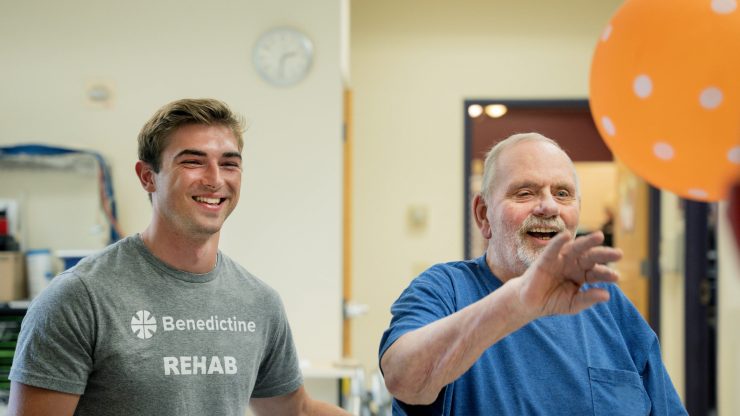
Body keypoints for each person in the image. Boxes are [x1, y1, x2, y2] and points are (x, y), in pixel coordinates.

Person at [8, 98, 351, 416]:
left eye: (229, 164)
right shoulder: (79, 298)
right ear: (147, 177)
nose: (215, 179)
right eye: (193, 162)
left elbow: (296, 410)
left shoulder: (259, 303)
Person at [379, 133, 686, 415]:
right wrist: (516, 303)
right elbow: (402, 379)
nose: (549, 207)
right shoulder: (445, 289)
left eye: (563, 193)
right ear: (484, 215)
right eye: (525, 193)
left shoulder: (606, 301)